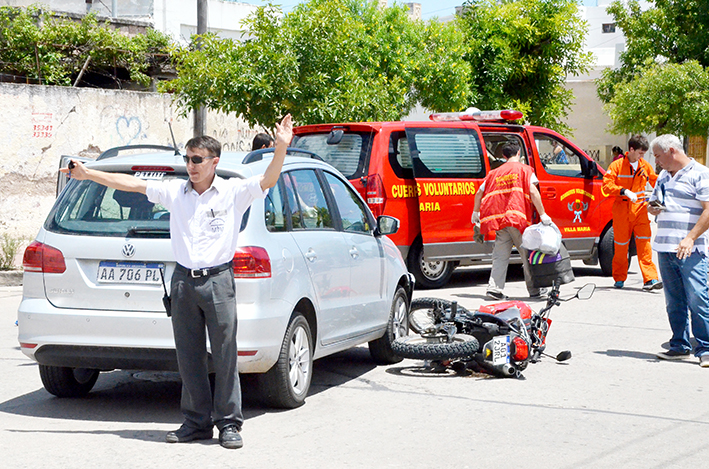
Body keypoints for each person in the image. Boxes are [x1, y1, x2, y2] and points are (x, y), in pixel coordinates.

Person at [62, 114, 294, 447]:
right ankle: (196, 422)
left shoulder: (231, 192)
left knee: (226, 354)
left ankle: (229, 423)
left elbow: (268, 179)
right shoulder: (175, 192)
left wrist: (281, 148)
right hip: (184, 281)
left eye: (197, 160)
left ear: (214, 162)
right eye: (187, 159)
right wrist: (87, 174)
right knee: (189, 356)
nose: (191, 165)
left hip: (218, 281)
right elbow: (132, 184)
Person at [647, 134, 709, 367]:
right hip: (664, 246)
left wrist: (690, 238)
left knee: (698, 298)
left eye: (658, 155)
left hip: (689, 248)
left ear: (672, 150)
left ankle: (705, 348)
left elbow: (708, 210)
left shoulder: (700, 173)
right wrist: (653, 208)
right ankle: (679, 346)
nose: (657, 161)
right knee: (675, 301)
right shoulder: (663, 176)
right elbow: (654, 201)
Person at [472, 141, 553, 300]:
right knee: (529, 254)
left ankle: (494, 289)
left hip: (501, 222)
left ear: (503, 156)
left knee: (500, 256)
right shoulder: (525, 170)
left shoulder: (494, 173)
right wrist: (543, 215)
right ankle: (536, 290)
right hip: (518, 219)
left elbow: (479, 193)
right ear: (519, 154)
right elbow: (534, 192)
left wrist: (475, 213)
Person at [602, 135, 662, 291]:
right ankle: (619, 278)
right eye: (640, 153)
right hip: (622, 211)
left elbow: (655, 181)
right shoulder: (617, 166)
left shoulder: (644, 166)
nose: (642, 156)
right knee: (621, 247)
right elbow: (606, 186)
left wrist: (662, 194)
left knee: (645, 246)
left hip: (641, 211)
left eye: (643, 154)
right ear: (631, 150)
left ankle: (650, 279)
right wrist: (623, 191)